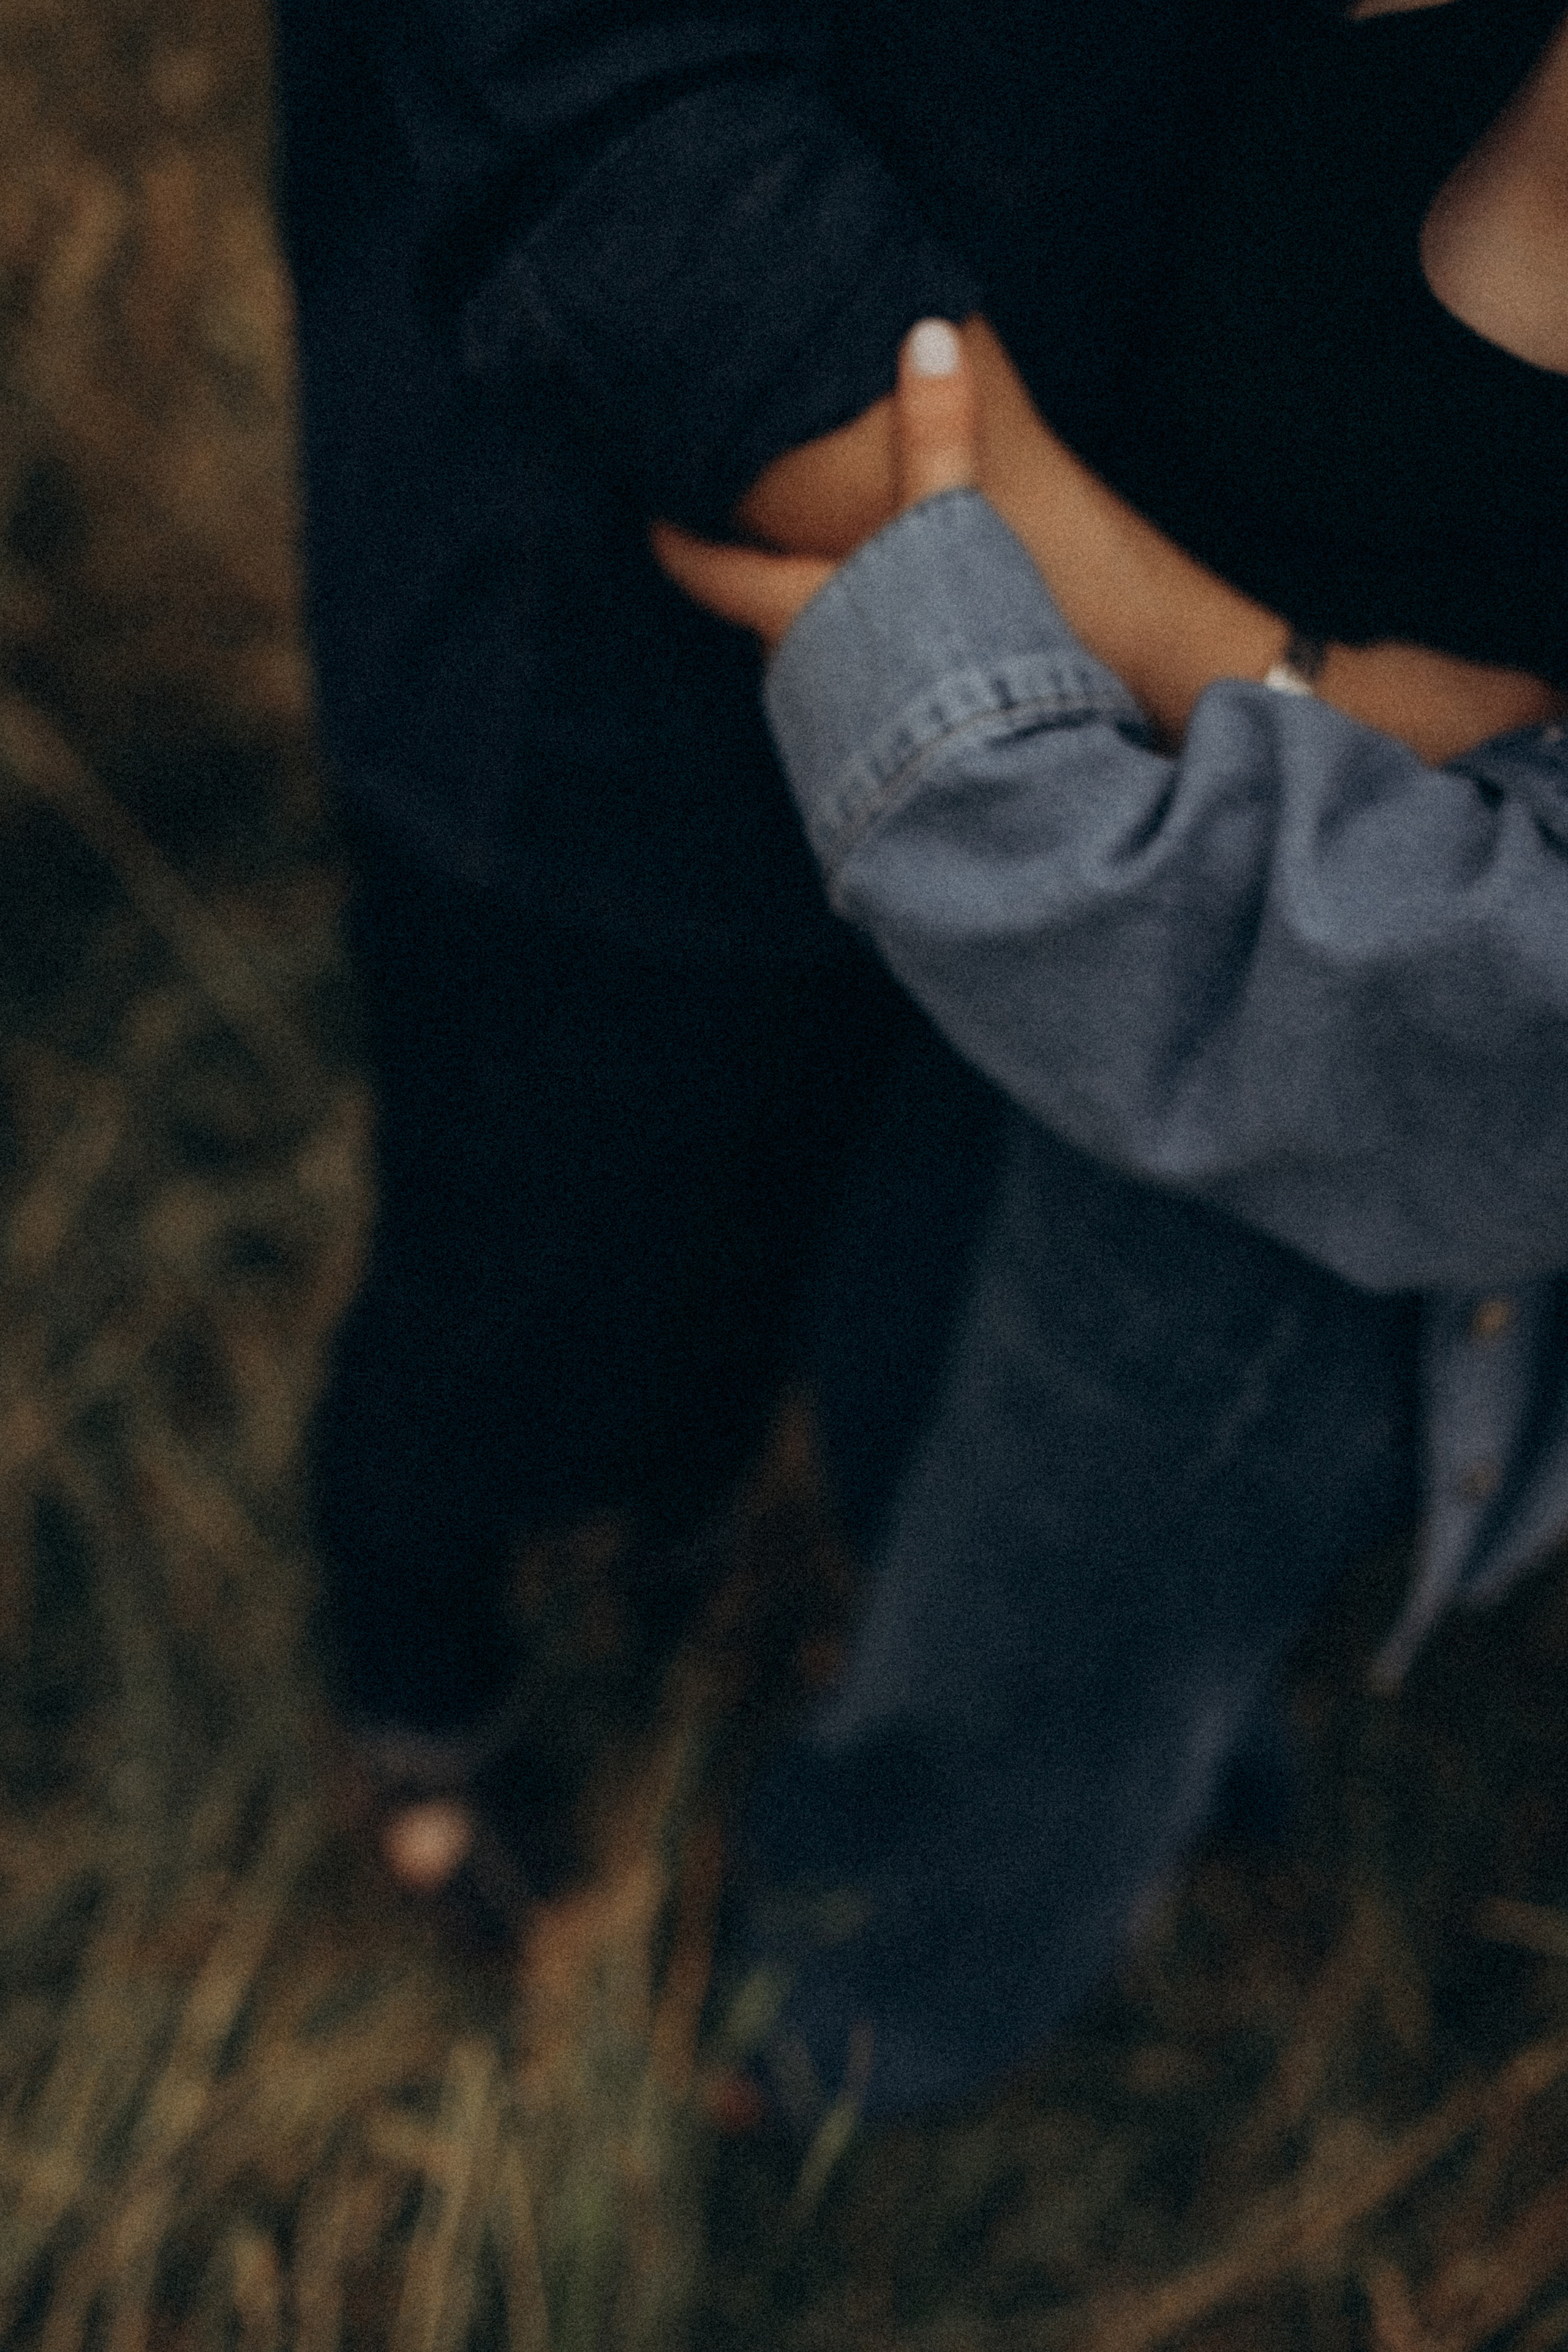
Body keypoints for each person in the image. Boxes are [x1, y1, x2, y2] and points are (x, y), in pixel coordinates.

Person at [651, 0, 1568, 2120]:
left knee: (1035, 1647)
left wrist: (1035, 648)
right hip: (1063, 927)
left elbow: (1515, 1013)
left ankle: (851, 2043)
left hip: (1290, 1143)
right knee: (904, 1370)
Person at [269, 0, 1189, 1905]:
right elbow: (620, 149)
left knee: (789, 1176)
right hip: (572, 641)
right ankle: (416, 1676)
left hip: (1057, 601)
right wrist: (1269, 686)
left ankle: (666, 1513)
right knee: (508, 1248)